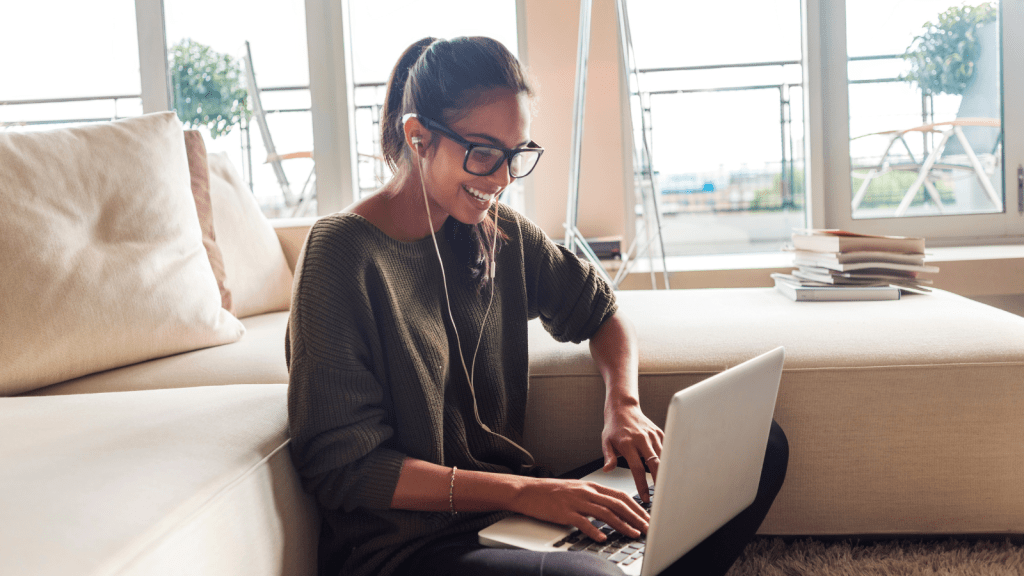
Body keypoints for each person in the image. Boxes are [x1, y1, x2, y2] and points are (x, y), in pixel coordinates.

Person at [286, 36, 788, 576]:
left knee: (758, 446)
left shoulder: (497, 232)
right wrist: (529, 492)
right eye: (483, 154)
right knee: (596, 575)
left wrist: (623, 404)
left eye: (516, 155)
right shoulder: (340, 253)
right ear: (419, 138)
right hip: (408, 551)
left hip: (514, 515)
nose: (501, 179)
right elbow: (345, 467)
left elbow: (602, 310)